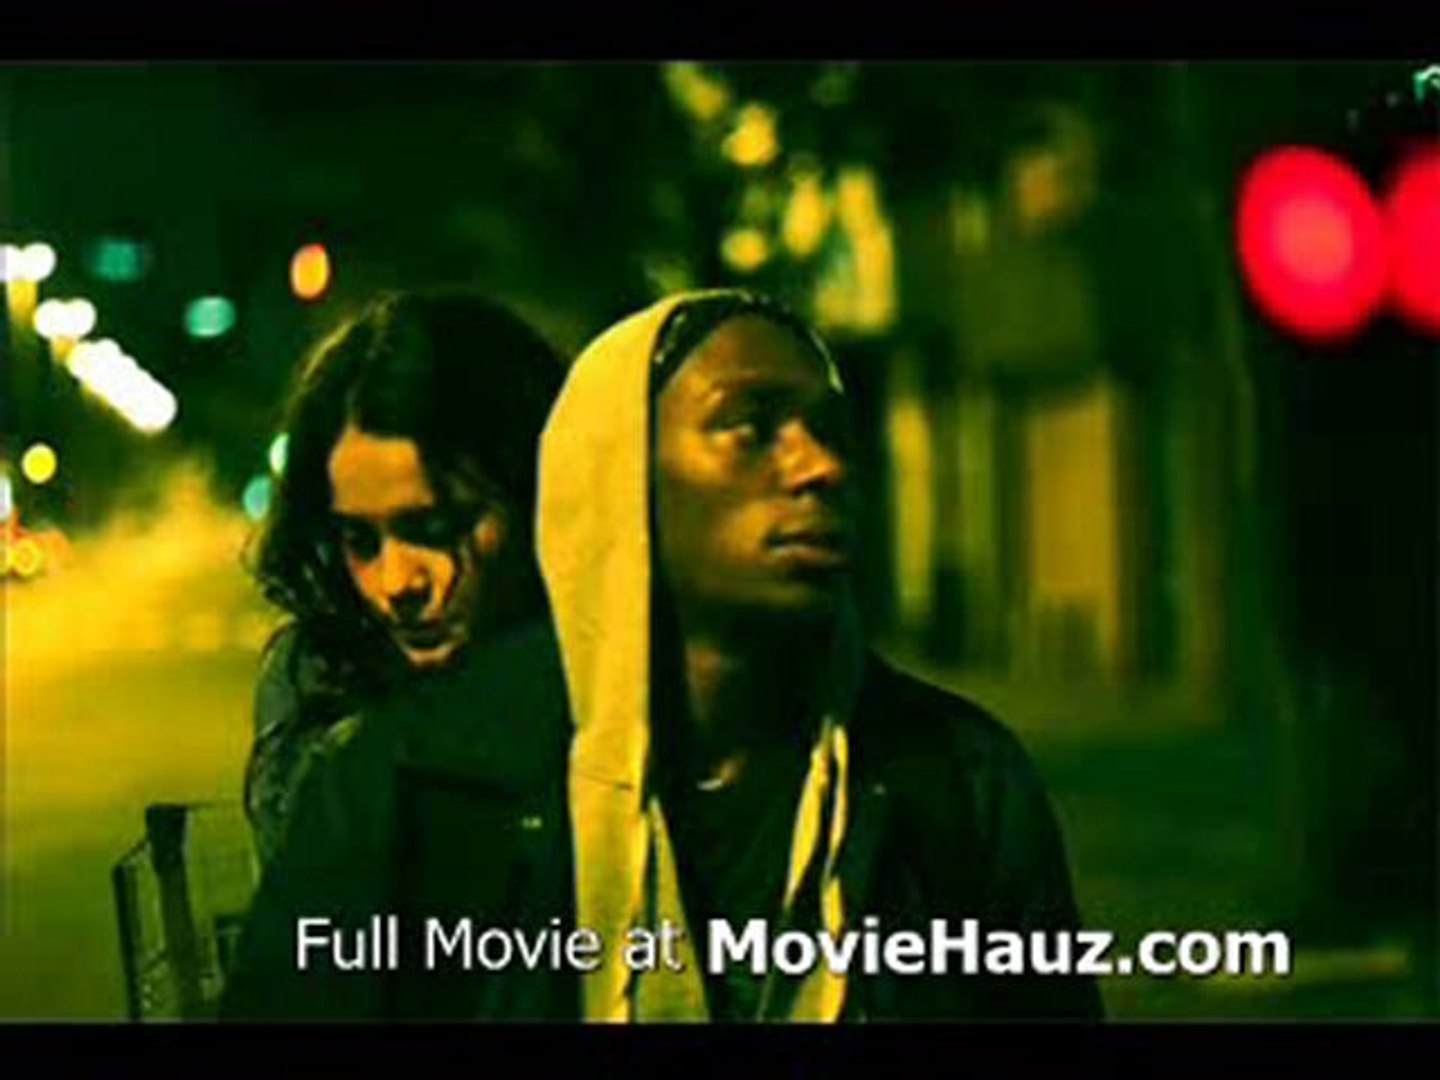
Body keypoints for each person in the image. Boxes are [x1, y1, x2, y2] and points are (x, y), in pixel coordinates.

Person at [220, 289, 1099, 1022]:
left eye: (441, 527)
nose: (399, 582)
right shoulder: (387, 771)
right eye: (749, 426)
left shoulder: (955, 776)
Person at [541, 289, 1101, 1021]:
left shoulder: (957, 776)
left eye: (832, 431)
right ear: (619, 475)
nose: (822, 466)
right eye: (751, 427)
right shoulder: (477, 785)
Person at [241, 288, 567, 866]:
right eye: (360, 541)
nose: (396, 583)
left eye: (437, 528)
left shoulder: (633, 661)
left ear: (537, 494)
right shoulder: (318, 679)